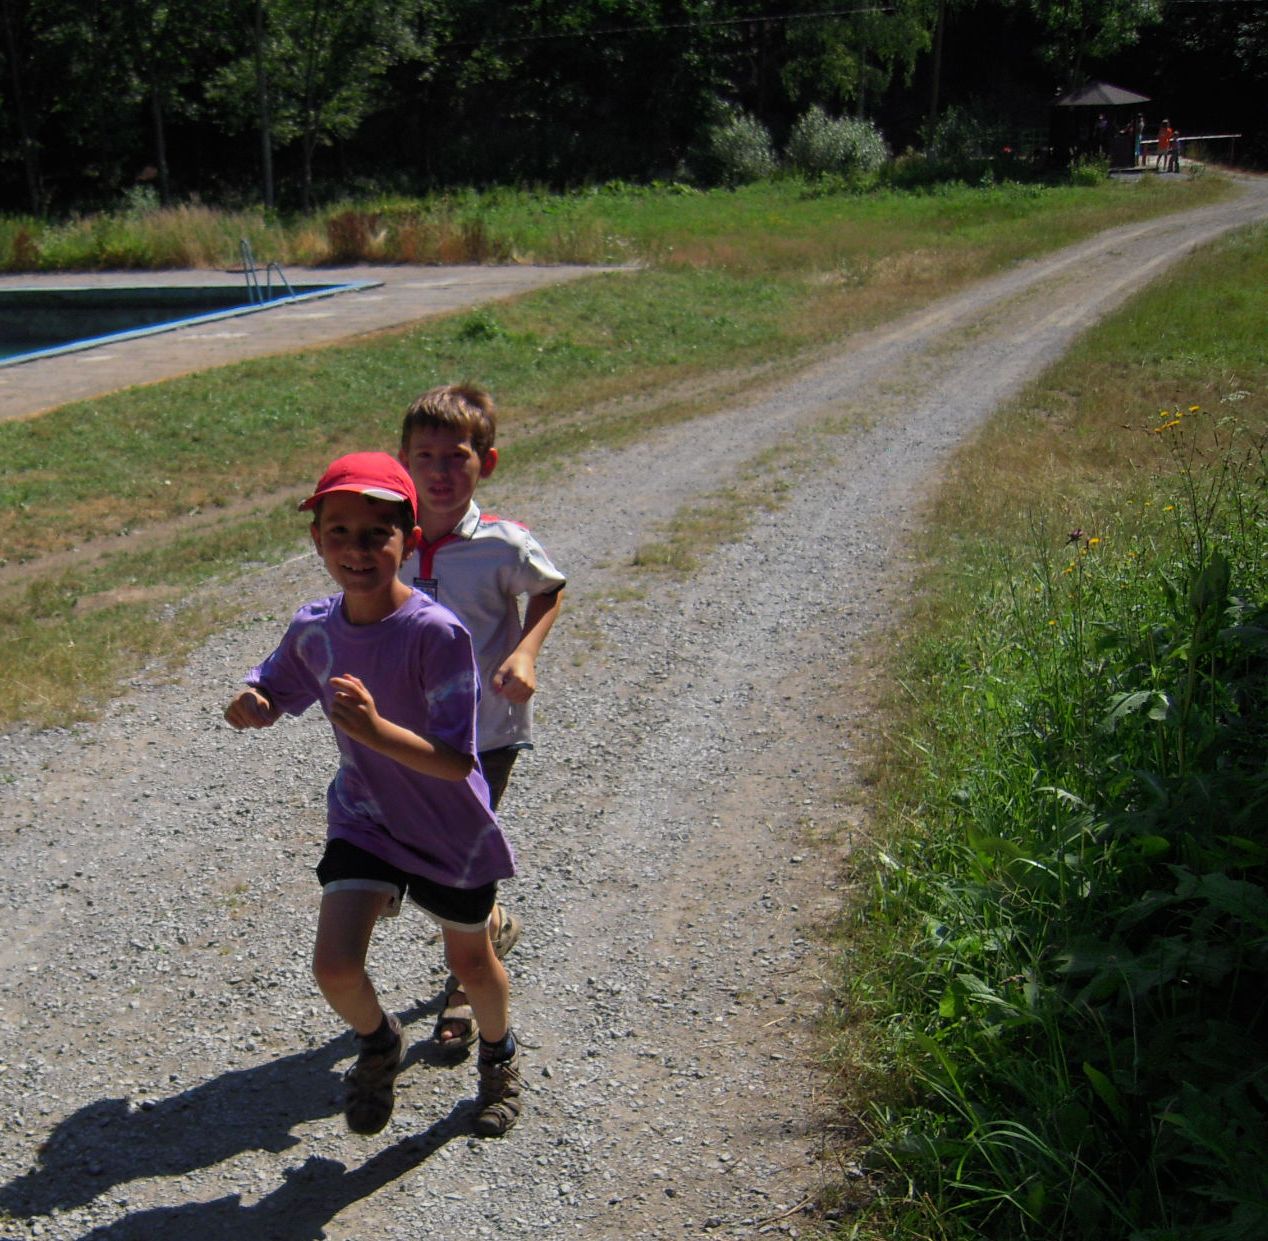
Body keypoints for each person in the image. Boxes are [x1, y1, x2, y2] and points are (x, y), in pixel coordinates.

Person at [224, 451, 524, 1138]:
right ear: (316, 539)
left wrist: (375, 730)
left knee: (471, 963)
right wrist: (255, 702)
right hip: (366, 817)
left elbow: (456, 761)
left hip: (449, 828)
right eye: (339, 532)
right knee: (334, 965)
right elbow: (276, 685)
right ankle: (380, 1041)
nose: (356, 550)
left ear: (408, 541)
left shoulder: (435, 634)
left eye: (375, 534)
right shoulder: (315, 627)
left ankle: (499, 1055)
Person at [396, 384, 566, 1057]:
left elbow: (548, 590)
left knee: (458, 856)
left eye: (456, 457)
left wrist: (525, 652)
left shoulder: (503, 544)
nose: (440, 472)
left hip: (485, 733)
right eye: (425, 456)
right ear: (403, 461)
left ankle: (466, 982)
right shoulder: (390, 538)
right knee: (418, 851)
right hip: (406, 735)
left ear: (485, 463)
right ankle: (489, 923)